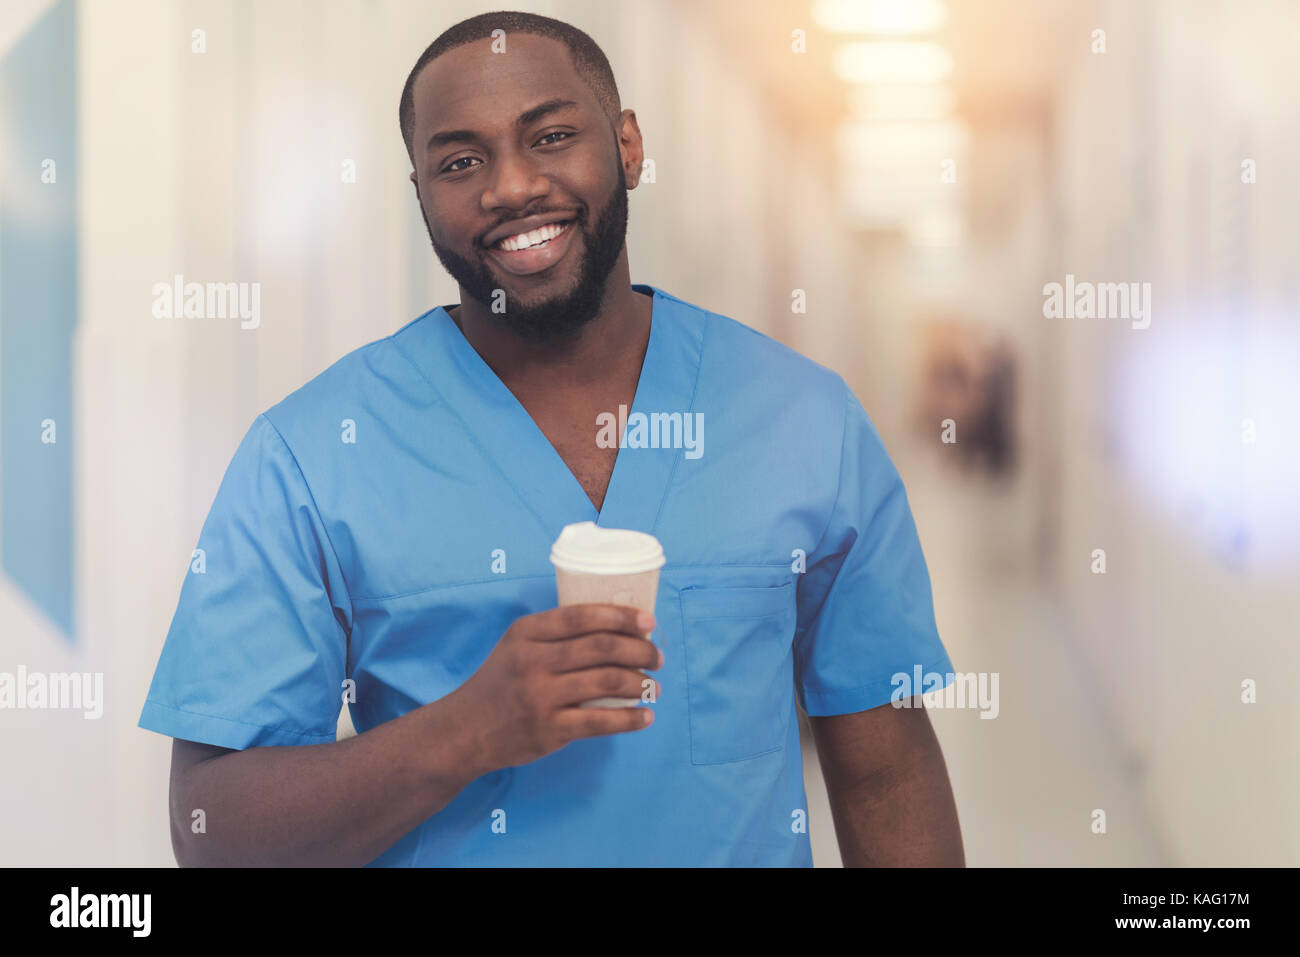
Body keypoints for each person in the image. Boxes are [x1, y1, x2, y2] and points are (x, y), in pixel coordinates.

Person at [139, 10, 964, 867]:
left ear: (629, 147)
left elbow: (886, 774)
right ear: (421, 195)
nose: (510, 186)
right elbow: (212, 830)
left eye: (552, 135)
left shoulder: (802, 420)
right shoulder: (310, 457)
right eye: (460, 161)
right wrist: (468, 730)